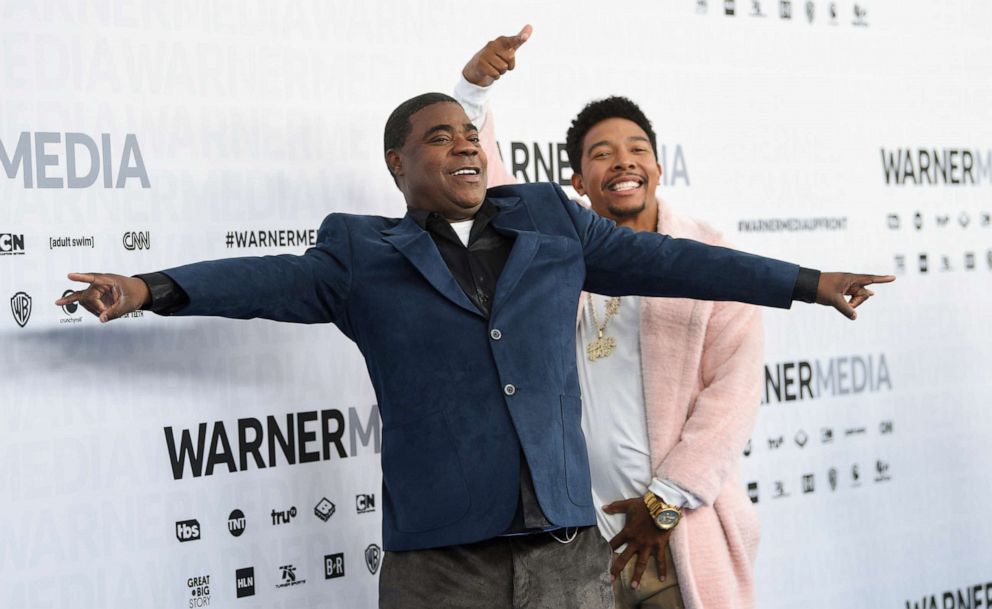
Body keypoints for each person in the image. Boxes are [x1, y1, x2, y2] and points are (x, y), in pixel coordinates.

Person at [57, 68, 892, 609]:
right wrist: (150, 288)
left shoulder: (555, 226)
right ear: (397, 163)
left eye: (468, 133)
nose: (460, 143)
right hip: (441, 565)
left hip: (567, 556)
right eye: (437, 136)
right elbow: (263, 281)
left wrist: (806, 282)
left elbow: (678, 262)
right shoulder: (359, 254)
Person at [454, 27, 843, 609]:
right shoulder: (554, 250)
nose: (623, 162)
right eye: (601, 154)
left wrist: (663, 504)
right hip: (572, 541)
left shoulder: (711, 260)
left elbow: (729, 402)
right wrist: (473, 91)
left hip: (667, 538)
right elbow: (494, 188)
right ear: (578, 182)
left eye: (637, 149)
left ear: (658, 167)